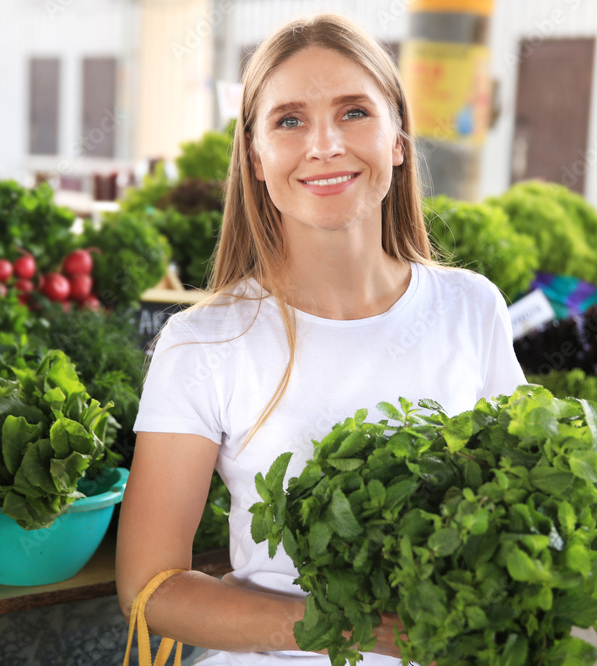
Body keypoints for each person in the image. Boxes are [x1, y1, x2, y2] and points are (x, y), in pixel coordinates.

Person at [116, 12, 526, 665]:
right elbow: (150, 589)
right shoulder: (202, 342)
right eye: (289, 120)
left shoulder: (472, 307)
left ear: (398, 137)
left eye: (354, 112)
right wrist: (354, 630)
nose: (325, 144)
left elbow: (520, 501)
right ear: (254, 156)